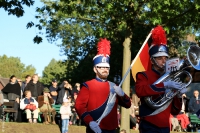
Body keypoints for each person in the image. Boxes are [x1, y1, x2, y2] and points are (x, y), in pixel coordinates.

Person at [135, 26, 187, 133]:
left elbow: (175, 111)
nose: (164, 61)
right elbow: (140, 90)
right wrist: (164, 85)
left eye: (165, 58)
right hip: (149, 125)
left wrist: (178, 95)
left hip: (165, 127)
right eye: (159, 58)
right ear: (152, 60)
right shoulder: (144, 75)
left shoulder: (172, 77)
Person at [75, 38, 131, 133]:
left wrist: (122, 94)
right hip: (95, 128)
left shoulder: (114, 86)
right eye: (101, 67)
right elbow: (79, 106)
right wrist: (89, 122)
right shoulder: (88, 85)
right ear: (95, 69)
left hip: (112, 129)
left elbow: (128, 104)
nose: (105, 69)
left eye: (107, 67)